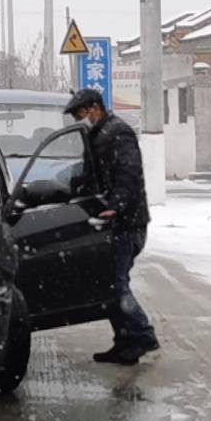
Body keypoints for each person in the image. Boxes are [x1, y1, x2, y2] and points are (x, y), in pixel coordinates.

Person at [66, 84, 159, 367]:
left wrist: (115, 207)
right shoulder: (98, 135)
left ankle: (141, 334)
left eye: (80, 113)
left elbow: (127, 174)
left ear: (95, 108)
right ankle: (125, 343)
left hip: (126, 224)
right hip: (113, 223)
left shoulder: (118, 133)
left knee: (115, 284)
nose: (79, 120)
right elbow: (92, 177)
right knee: (107, 284)